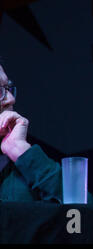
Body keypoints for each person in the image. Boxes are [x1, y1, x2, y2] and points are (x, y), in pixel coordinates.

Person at [0, 63, 63, 202]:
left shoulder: (25, 163)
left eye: (7, 88)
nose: (10, 98)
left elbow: (88, 218)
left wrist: (21, 150)